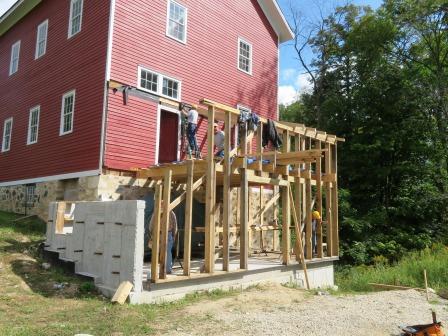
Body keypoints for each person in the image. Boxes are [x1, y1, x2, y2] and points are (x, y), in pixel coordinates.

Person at [148, 201, 178, 274]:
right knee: (166, 252)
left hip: (165, 234)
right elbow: (175, 226)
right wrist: (173, 235)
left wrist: (152, 234)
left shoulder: (167, 213)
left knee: (163, 252)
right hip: (163, 234)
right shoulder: (169, 213)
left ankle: (165, 270)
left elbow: (151, 226)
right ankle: (166, 270)